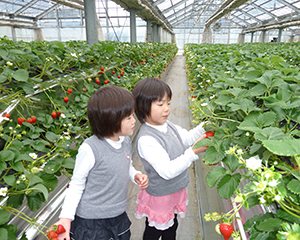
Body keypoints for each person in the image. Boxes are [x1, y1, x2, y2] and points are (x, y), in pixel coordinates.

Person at [51, 85, 149, 240]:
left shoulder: (125, 141)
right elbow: (77, 184)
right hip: (92, 222)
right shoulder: (90, 149)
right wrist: (66, 217)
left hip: (118, 215)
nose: (134, 120)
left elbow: (125, 163)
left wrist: (135, 174)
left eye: (132, 115)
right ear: (111, 119)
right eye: (128, 117)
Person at [132, 78, 209, 240]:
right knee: (154, 230)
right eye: (160, 104)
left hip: (174, 190)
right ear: (142, 107)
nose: (167, 109)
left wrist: (205, 126)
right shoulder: (147, 139)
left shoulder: (169, 126)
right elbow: (167, 171)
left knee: (172, 227)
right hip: (161, 196)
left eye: (168, 103)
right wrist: (193, 152)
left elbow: (187, 138)